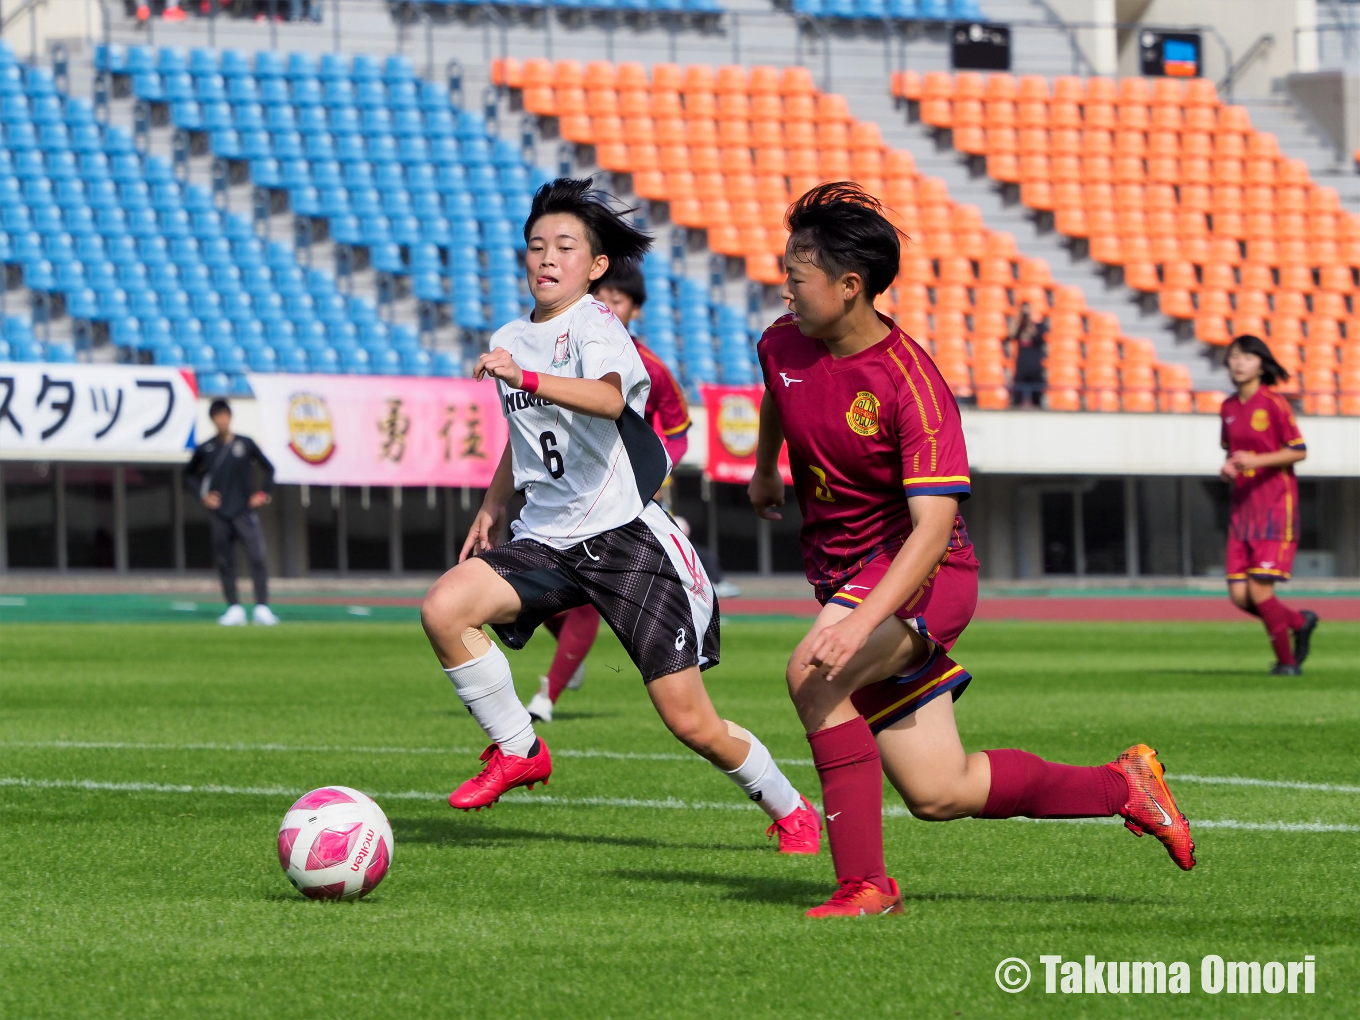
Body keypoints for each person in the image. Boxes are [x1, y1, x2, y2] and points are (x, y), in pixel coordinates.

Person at [749, 182, 1195, 917]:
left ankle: (866, 886)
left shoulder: (911, 386)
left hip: (923, 574)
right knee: (939, 790)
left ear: (850, 286)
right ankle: (1127, 786)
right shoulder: (781, 342)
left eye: (797, 275)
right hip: (847, 577)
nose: (785, 287)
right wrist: (767, 468)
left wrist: (858, 624)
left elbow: (930, 532)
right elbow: (779, 389)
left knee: (813, 671)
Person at [419, 178, 821, 855]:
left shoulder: (599, 326)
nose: (546, 258)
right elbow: (528, 439)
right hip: (546, 538)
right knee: (443, 609)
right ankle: (518, 748)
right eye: (536, 245)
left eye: (565, 246)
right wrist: (493, 504)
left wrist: (525, 377)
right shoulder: (511, 334)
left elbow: (607, 402)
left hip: (626, 539)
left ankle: (790, 808)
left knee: (690, 721)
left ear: (596, 266)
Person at [523, 262, 693, 724]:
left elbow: (678, 429)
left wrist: (659, 467)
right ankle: (568, 660)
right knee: (531, 593)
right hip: (561, 494)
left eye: (619, 299)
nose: (610, 306)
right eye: (604, 297)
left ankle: (549, 695)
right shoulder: (566, 356)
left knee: (589, 598)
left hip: (627, 498)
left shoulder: (652, 366)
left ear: (635, 308)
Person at [1219, 335, 1318, 675]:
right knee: (1239, 596)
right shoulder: (1228, 407)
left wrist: (1257, 460)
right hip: (1242, 511)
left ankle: (1287, 663)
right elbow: (1232, 452)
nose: (1238, 362)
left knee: (1260, 588)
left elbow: (1299, 450)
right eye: (1233, 356)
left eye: (1246, 356)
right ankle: (1298, 621)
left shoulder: (1274, 404)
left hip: (1276, 509)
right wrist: (1230, 467)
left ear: (1262, 364)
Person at [184, 398, 279, 627]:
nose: (222, 420)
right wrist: (202, 496)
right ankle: (234, 607)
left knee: (256, 557)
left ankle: (262, 607)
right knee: (225, 561)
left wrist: (262, 494)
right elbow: (187, 475)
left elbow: (269, 469)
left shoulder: (245, 444)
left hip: (244, 513)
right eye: (217, 416)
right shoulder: (206, 449)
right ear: (213, 420)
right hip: (220, 514)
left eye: (225, 415)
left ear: (230, 417)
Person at [1008, 301, 1047, 407]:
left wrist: (1029, 322)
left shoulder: (1039, 326)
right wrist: (1018, 321)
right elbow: (1011, 336)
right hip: (1022, 365)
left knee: (1036, 396)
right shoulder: (1019, 326)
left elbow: (1039, 337)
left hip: (1034, 365)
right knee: (1018, 394)